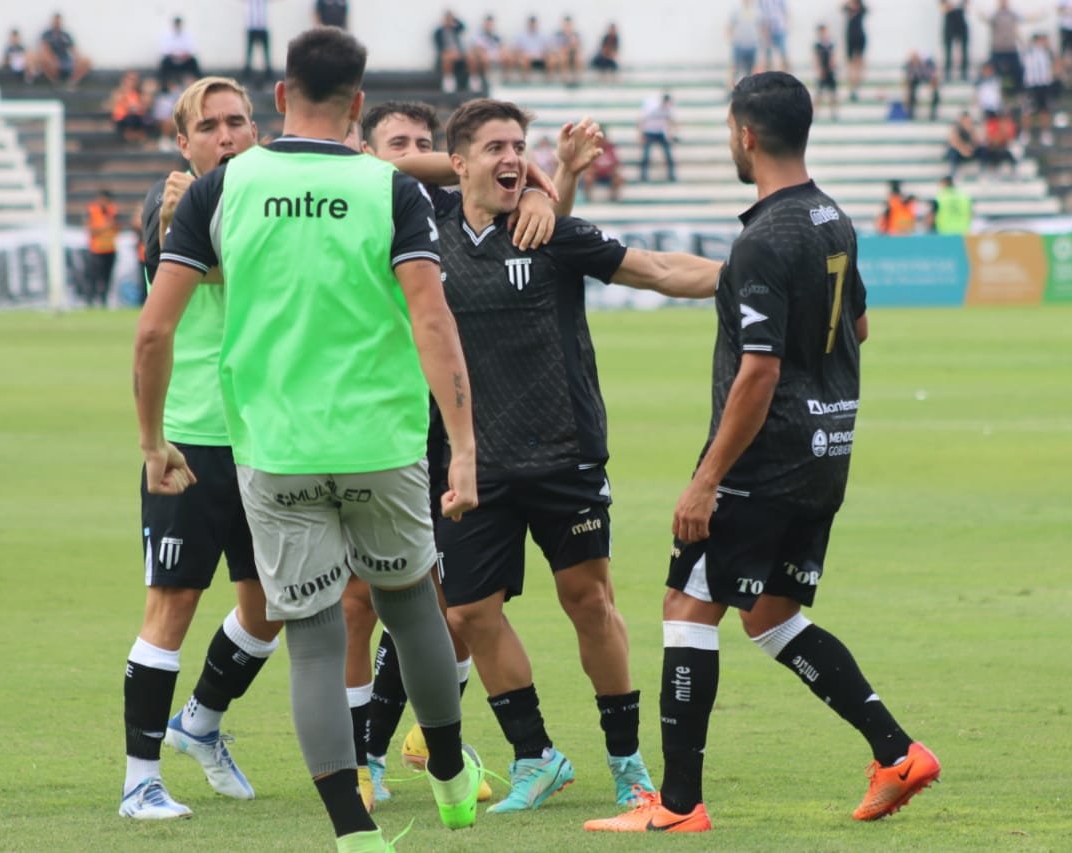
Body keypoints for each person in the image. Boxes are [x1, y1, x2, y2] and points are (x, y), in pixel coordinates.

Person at [134, 28, 483, 850]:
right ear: (360, 107)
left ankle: (353, 833)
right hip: (381, 442)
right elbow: (432, 320)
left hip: (273, 450)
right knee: (410, 609)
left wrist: (154, 442)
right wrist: (462, 445)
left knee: (318, 640)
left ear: (281, 98)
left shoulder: (224, 189)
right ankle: (450, 774)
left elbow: (155, 331)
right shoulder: (387, 188)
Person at [584, 71, 941, 835]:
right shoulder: (832, 219)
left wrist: (705, 479)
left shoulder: (762, 238)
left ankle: (678, 805)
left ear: (745, 135)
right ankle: (896, 750)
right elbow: (860, 330)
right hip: (825, 451)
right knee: (771, 615)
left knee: (687, 608)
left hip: (763, 462)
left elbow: (759, 369)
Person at [432, 96, 722, 815]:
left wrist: (755, 270)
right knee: (469, 612)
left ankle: (629, 766)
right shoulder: (421, 236)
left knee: (589, 601)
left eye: (517, 145)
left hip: (564, 455)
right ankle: (537, 756)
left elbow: (655, 269)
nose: (509, 157)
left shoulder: (550, 229)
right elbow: (376, 160)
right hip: (469, 462)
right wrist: (542, 175)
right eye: (494, 146)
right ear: (456, 162)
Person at [344, 99, 563, 807]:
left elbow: (484, 188)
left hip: (442, 433)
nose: (412, 157)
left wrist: (531, 182)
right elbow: (405, 169)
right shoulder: (367, 200)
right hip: (374, 420)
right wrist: (524, 174)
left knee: (436, 602)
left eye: (420, 143)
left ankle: (389, 747)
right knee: (365, 603)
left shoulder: (437, 215)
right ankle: (369, 752)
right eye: (396, 145)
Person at [120, 76, 282, 822]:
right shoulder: (169, 200)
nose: (228, 135)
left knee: (273, 605)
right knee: (173, 605)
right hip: (191, 439)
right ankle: (139, 780)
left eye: (239, 122)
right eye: (210, 126)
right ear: (183, 143)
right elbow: (216, 272)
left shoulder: (264, 194)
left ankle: (202, 720)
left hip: (269, 436)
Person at [1021, 32, 1056, 147]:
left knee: (1044, 110)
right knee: (1027, 110)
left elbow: (1055, 63)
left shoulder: (1047, 53)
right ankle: (1025, 133)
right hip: (1031, 84)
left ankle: (1045, 133)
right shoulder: (1029, 52)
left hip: (1044, 84)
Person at [37, 13, 91, 88]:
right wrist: (52, 59)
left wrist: (77, 58)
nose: (57, 23)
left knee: (86, 61)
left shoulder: (66, 35)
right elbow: (44, 49)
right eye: (55, 21)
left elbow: (74, 50)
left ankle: (71, 82)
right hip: (52, 61)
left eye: (59, 21)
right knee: (43, 59)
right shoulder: (47, 35)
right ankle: (55, 82)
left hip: (66, 60)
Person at [85, 189, 118, 307]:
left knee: (107, 278)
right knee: (94, 277)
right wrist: (105, 227)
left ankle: (103, 301)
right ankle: (90, 301)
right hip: (96, 250)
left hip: (110, 249)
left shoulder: (113, 211)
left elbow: (117, 227)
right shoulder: (92, 210)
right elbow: (90, 230)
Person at [434, 10, 477, 94]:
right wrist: (450, 52)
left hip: (459, 52)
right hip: (446, 53)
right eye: (447, 19)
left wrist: (455, 19)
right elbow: (439, 48)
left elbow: (463, 26)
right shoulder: (438, 32)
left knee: (471, 57)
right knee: (447, 57)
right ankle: (449, 81)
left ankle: (474, 79)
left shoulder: (456, 29)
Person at [640, 92, 677, 182]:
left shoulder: (668, 109)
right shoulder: (652, 108)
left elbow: (670, 121)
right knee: (646, 155)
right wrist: (641, 134)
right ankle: (643, 175)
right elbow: (642, 120)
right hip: (649, 132)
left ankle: (671, 174)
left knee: (668, 154)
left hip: (661, 132)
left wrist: (671, 133)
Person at [159, 16, 202, 88]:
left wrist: (183, 56)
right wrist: (175, 56)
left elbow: (191, 49)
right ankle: (163, 85)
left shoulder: (188, 35)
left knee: (194, 62)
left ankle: (198, 84)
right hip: (171, 60)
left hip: (185, 60)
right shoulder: (166, 35)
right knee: (164, 62)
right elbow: (164, 50)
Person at [108, 70, 150, 145]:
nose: (132, 82)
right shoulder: (119, 92)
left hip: (137, 119)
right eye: (130, 79)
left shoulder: (140, 93)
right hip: (123, 120)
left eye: (134, 79)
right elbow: (113, 106)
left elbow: (145, 105)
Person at [581, 131, 625, 202]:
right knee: (587, 178)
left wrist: (613, 171)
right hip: (596, 174)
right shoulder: (592, 148)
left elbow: (616, 163)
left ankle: (614, 198)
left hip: (609, 174)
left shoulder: (611, 149)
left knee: (618, 179)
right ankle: (587, 198)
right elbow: (588, 164)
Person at [241, 0, 277, 86]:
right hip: (251, 27)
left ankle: (268, 76)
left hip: (263, 27)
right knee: (249, 54)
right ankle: (247, 75)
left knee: (266, 54)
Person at [730, 0, 761, 85]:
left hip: (752, 46)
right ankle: (731, 92)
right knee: (735, 71)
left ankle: (747, 93)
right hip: (739, 45)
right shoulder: (736, 11)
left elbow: (761, 27)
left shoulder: (757, 11)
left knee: (749, 73)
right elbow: (730, 26)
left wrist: (762, 43)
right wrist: (732, 40)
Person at [904, 51, 941, 121]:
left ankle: (933, 114)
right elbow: (909, 81)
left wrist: (931, 86)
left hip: (928, 83)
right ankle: (910, 114)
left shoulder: (927, 66)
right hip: (916, 85)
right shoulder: (910, 67)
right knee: (911, 92)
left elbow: (933, 77)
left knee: (935, 94)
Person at [814, 24, 840, 121]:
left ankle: (834, 113)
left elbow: (833, 58)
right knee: (819, 94)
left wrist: (833, 67)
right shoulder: (817, 45)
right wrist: (819, 70)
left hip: (830, 72)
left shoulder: (830, 45)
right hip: (822, 72)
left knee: (832, 93)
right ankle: (815, 113)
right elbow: (816, 59)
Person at [512, 15, 549, 81]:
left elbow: (546, 49)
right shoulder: (521, 36)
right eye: (531, 23)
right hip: (525, 58)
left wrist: (541, 54)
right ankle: (525, 80)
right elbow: (516, 50)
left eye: (534, 23)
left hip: (540, 58)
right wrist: (524, 54)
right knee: (524, 59)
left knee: (551, 59)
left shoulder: (542, 35)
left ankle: (548, 80)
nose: (532, 25)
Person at [548, 15, 583, 86]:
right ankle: (564, 78)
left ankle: (576, 79)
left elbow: (579, 47)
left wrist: (572, 46)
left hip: (572, 55)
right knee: (563, 56)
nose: (567, 27)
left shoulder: (575, 35)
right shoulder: (558, 35)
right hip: (560, 55)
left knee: (578, 57)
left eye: (569, 25)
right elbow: (553, 47)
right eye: (566, 25)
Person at [843, 0, 867, 101]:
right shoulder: (846, 7)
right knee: (851, 65)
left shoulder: (862, 7)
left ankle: (856, 87)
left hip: (859, 36)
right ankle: (852, 88)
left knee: (858, 64)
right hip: (850, 37)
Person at [941, 0, 970, 81]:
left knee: (964, 48)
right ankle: (948, 72)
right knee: (948, 49)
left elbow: (967, 4)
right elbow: (942, 7)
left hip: (960, 17)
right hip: (949, 18)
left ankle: (964, 72)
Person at [759, 0, 790, 73]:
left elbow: (786, 12)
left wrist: (786, 26)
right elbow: (760, 15)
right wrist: (763, 32)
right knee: (768, 57)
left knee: (783, 54)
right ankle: (768, 79)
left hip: (780, 29)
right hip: (767, 30)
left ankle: (786, 77)